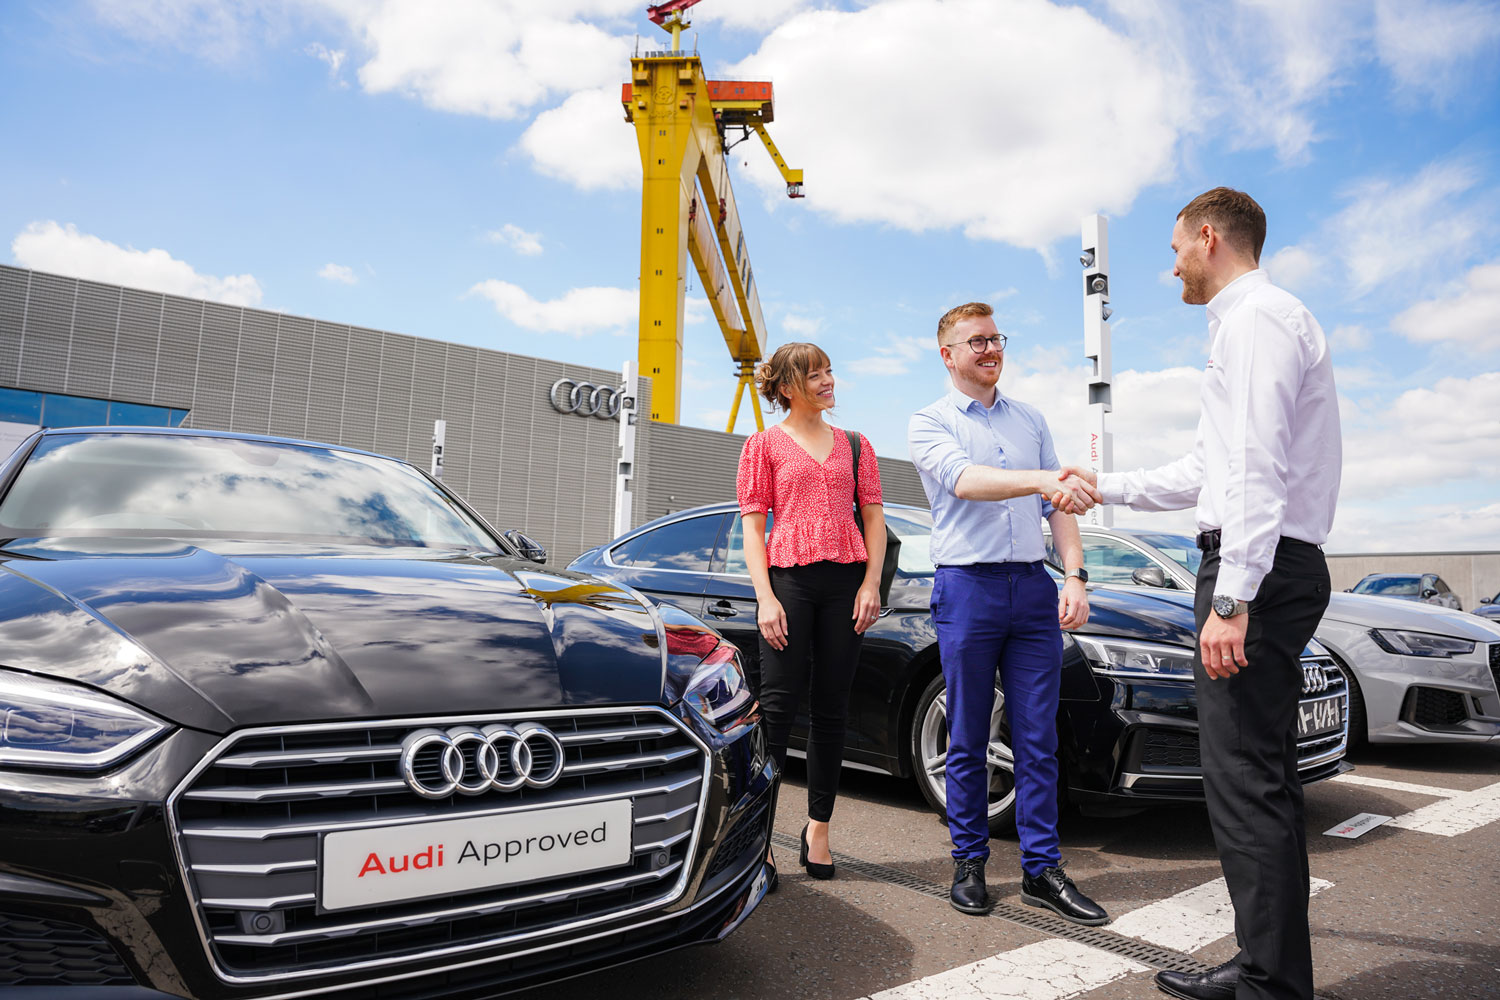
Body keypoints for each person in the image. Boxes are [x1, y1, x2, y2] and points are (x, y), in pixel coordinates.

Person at [1064, 188, 1341, 1000]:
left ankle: (1269, 982)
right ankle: (1272, 970)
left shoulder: (1254, 321)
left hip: (1256, 567)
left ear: (1209, 238)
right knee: (1263, 779)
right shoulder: (1259, 324)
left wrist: (1232, 599)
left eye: (1177, 246)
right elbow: (1206, 472)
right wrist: (1102, 484)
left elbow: (1253, 467)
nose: (1172, 263)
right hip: (1270, 562)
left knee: (1244, 784)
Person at [907, 302, 1108, 924]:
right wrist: (1047, 479)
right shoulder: (929, 422)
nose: (991, 350)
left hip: (1032, 588)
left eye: (996, 339)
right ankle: (969, 862)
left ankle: (1041, 871)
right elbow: (967, 482)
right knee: (967, 733)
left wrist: (1073, 575)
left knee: (1038, 738)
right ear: (949, 354)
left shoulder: (1031, 419)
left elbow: (1061, 511)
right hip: (967, 588)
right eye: (976, 342)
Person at [736, 341, 886, 887]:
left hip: (846, 582)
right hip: (789, 583)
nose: (828, 380)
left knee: (831, 711)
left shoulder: (855, 444)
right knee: (777, 712)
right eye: (815, 374)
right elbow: (754, 529)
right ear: (786, 387)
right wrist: (765, 598)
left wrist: (870, 583)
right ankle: (761, 839)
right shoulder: (763, 445)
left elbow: (874, 519)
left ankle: (817, 830)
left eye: (829, 370)